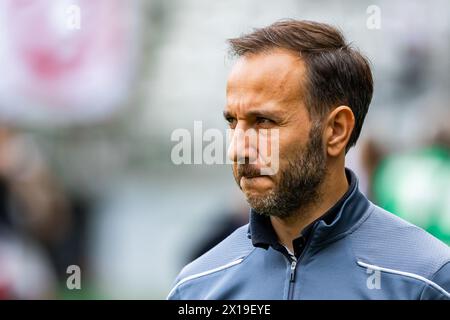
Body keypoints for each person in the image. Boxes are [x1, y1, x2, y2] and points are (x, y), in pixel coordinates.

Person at [167, 20, 450, 300]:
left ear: (336, 130)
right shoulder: (197, 286)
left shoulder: (426, 280)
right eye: (233, 122)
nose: (237, 150)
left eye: (264, 121)